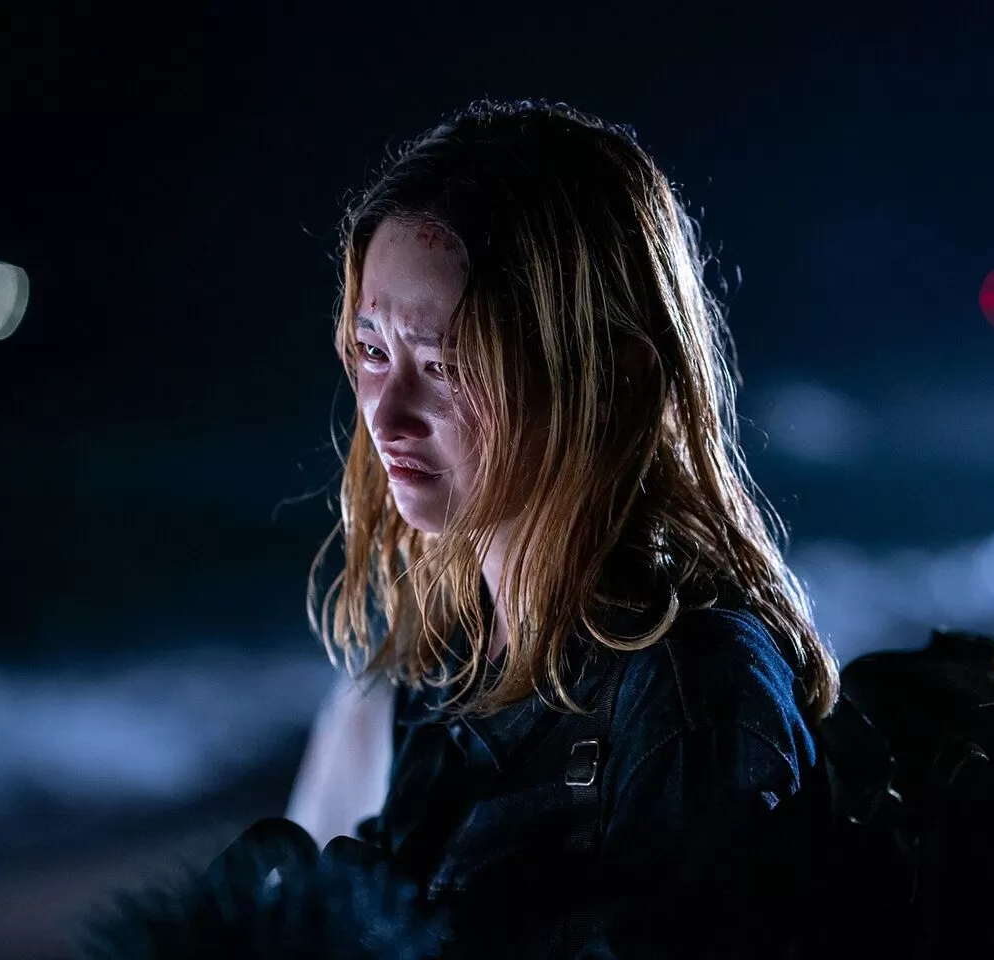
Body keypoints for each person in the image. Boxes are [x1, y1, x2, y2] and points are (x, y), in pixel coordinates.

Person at [290, 98, 841, 959]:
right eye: (372, 352)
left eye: (445, 363)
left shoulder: (691, 694)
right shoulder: (444, 666)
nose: (385, 414)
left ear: (611, 376)